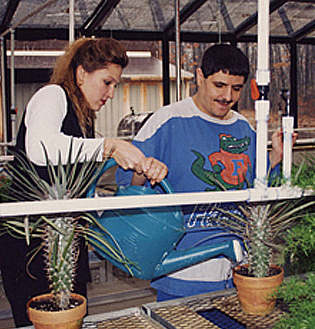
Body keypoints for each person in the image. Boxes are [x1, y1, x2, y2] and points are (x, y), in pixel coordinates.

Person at [0, 37, 167, 327]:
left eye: (115, 85)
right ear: (82, 73)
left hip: (65, 243)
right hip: (32, 245)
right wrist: (109, 146)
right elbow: (40, 147)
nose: (111, 93)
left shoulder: (83, 120)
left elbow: (82, 179)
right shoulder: (52, 96)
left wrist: (141, 166)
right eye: (107, 82)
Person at [116, 43, 294, 301]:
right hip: (181, 273)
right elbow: (126, 189)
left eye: (236, 88)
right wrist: (144, 170)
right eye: (219, 85)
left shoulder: (243, 127)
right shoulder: (167, 121)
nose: (227, 96)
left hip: (237, 273)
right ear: (200, 77)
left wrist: (276, 157)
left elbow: (259, 187)